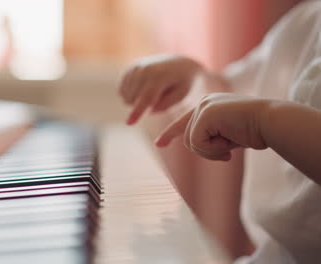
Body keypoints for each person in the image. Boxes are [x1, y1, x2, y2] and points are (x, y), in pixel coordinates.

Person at [118, 1, 321, 263]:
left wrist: (266, 120)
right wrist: (193, 80)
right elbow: (233, 93)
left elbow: (254, 113)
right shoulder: (305, 21)